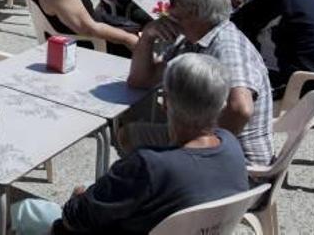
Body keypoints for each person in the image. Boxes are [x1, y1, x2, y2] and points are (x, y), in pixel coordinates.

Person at [13, 53, 248, 235]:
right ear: (221, 105)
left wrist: (77, 199)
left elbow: (74, 219)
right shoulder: (232, 148)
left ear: (165, 102)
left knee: (26, 210)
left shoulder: (149, 165)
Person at [125, 0, 273, 166]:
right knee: (128, 134)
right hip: (203, 141)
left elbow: (240, 109)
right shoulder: (192, 39)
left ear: (192, 11)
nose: (167, 8)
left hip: (237, 163)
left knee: (135, 140)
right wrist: (147, 36)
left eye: (173, 1)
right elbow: (141, 80)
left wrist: (202, 148)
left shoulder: (226, 46)